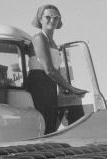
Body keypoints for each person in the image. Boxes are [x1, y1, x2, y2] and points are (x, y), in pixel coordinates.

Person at [23, 4, 86, 133]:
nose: (52, 20)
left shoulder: (53, 42)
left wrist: (65, 89)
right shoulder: (39, 38)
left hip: (50, 84)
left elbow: (56, 70)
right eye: (48, 17)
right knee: (44, 124)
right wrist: (71, 88)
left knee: (51, 123)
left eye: (56, 17)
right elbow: (49, 70)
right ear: (40, 19)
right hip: (39, 83)